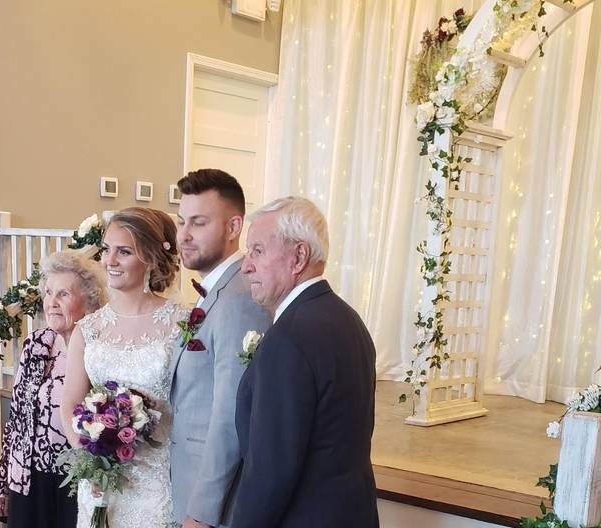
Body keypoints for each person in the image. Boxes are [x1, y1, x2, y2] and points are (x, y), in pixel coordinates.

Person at [228, 197, 379, 528]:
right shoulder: (348, 319)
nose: (245, 265)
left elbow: (270, 471)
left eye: (257, 250)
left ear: (298, 257)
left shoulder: (289, 337)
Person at [62, 207, 190, 528]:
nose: (110, 261)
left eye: (124, 252)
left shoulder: (182, 324)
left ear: (150, 257)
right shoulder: (88, 329)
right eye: (107, 250)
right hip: (100, 485)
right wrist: (91, 457)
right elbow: (69, 404)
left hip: (158, 483)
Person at [169, 169, 270, 528]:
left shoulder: (240, 299)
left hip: (215, 505)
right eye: (182, 222)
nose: (184, 236)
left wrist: (202, 513)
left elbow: (230, 416)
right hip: (186, 481)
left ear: (233, 227)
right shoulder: (218, 291)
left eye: (198, 223)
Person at [0, 250, 108, 527]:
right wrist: (1, 480)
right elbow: (17, 419)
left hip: (76, 477)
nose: (51, 303)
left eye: (63, 294)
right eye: (48, 293)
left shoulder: (99, 351)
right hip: (28, 479)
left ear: (89, 302)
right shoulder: (36, 344)